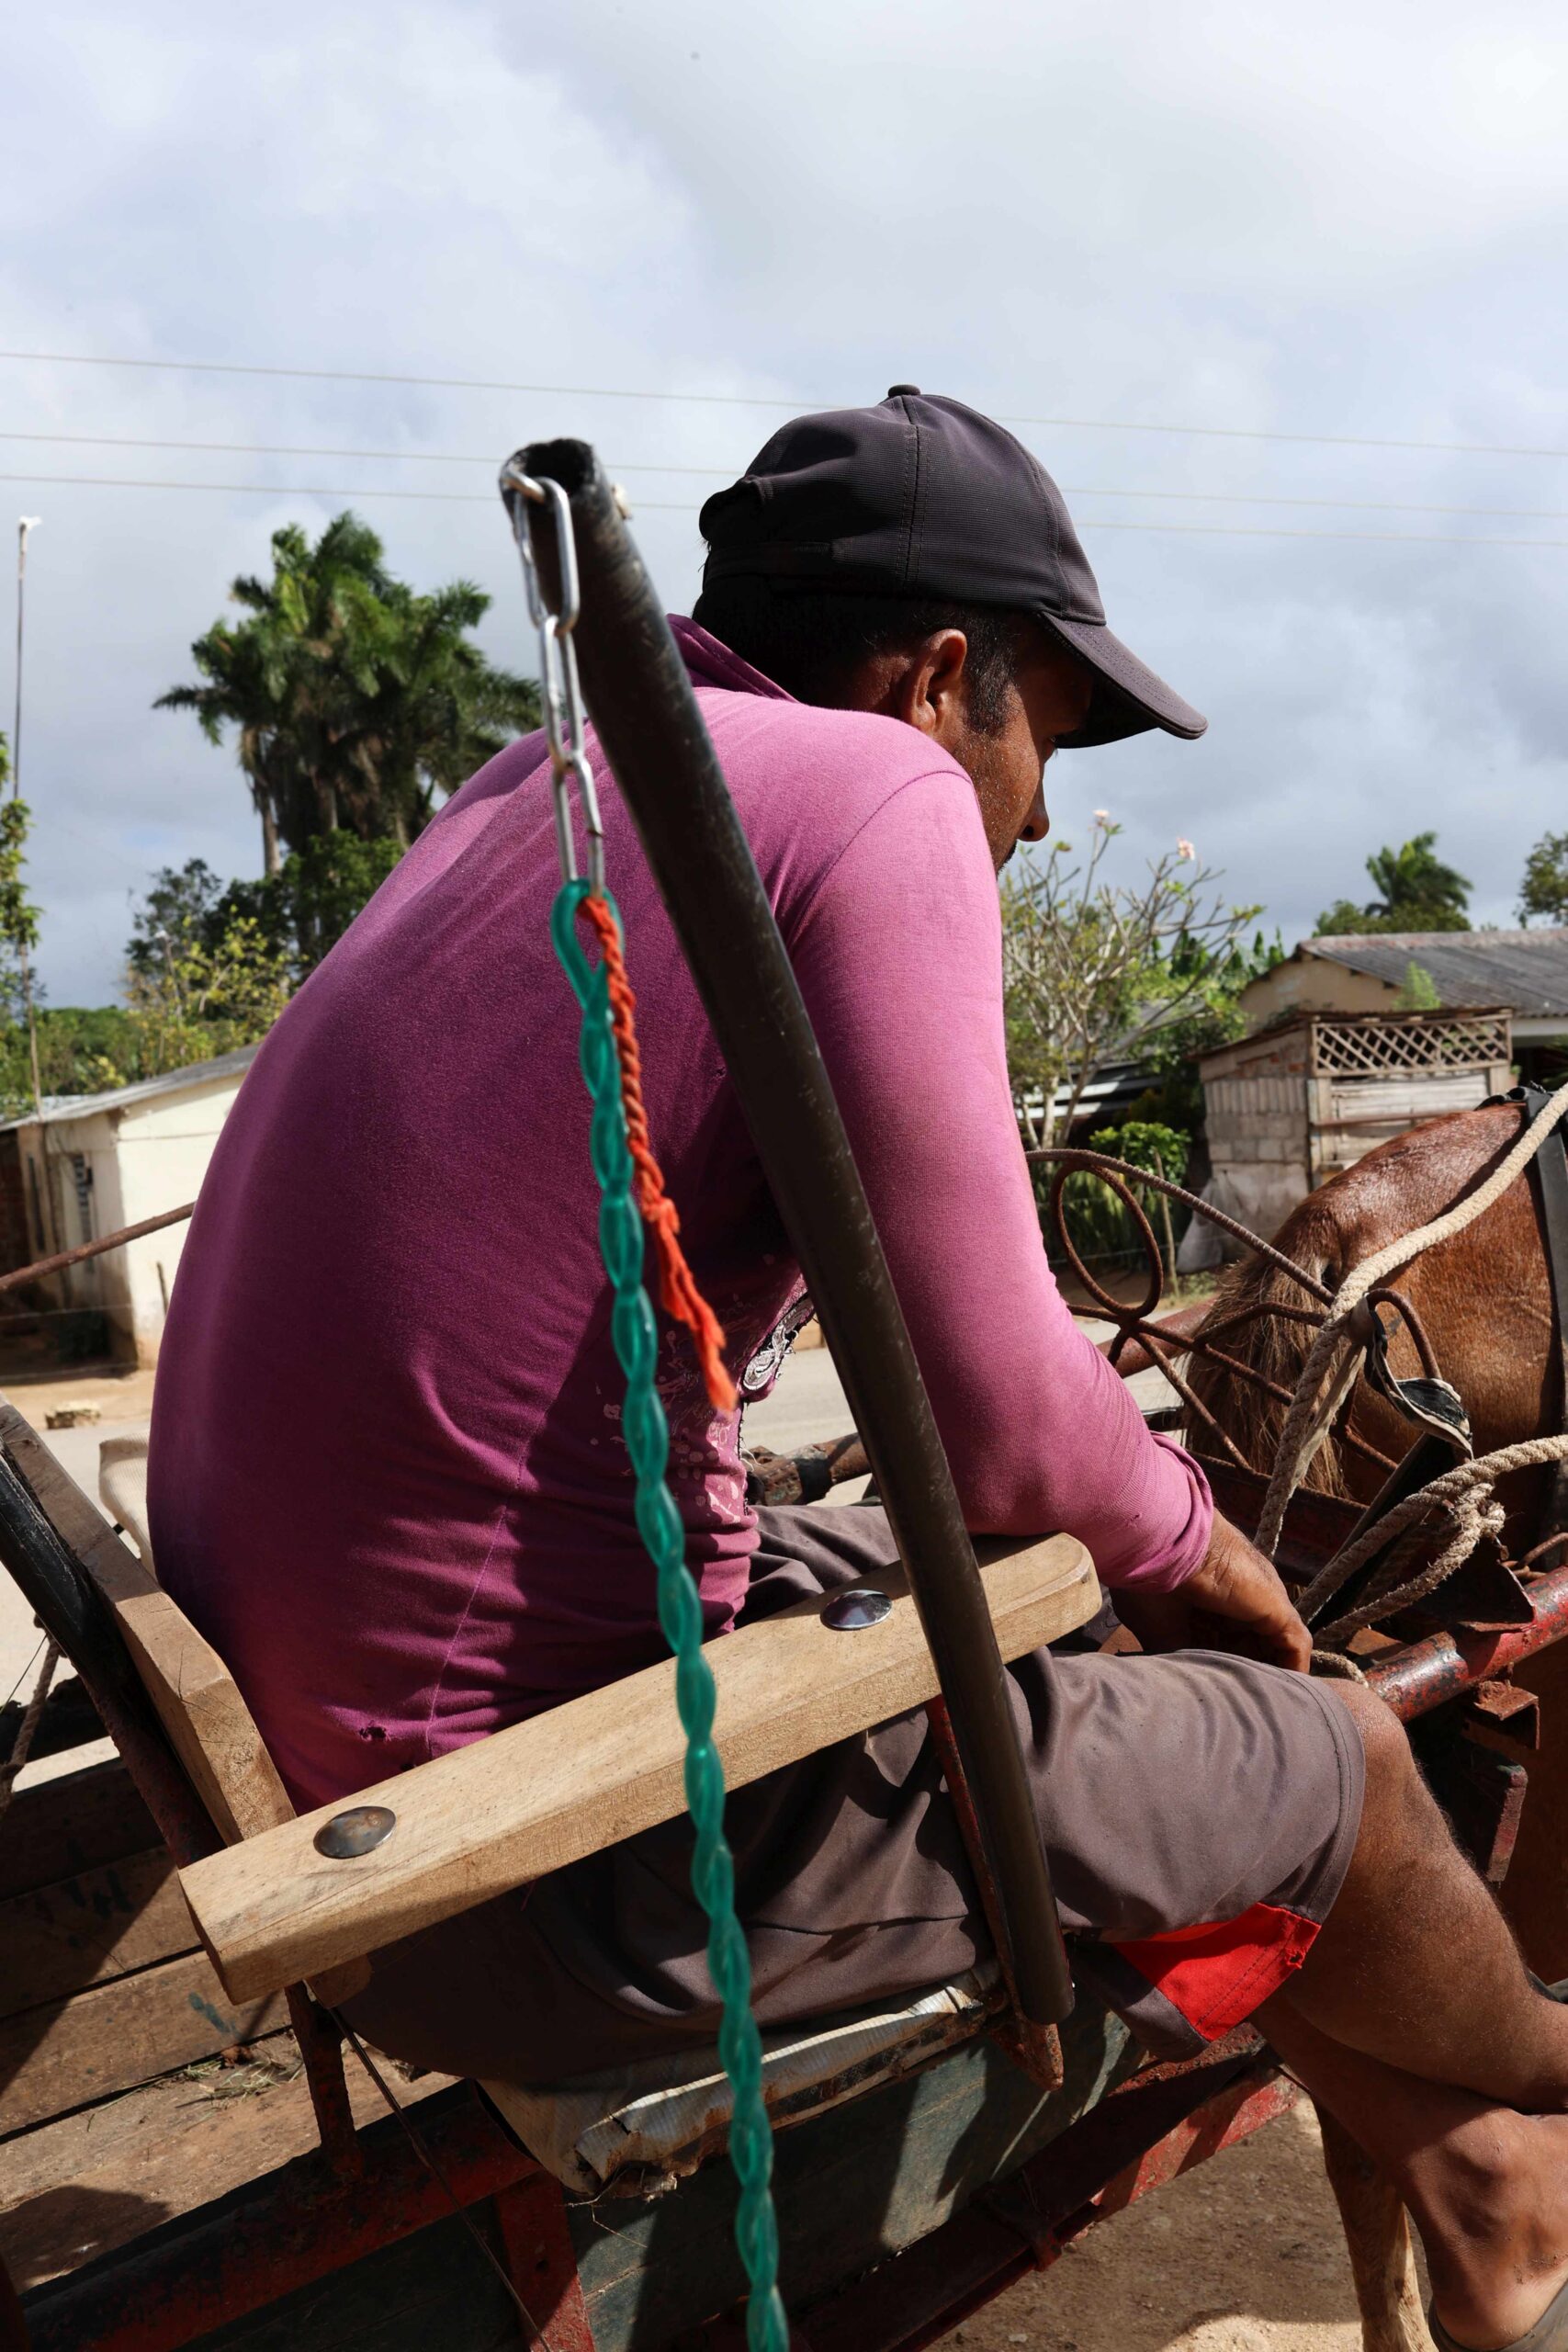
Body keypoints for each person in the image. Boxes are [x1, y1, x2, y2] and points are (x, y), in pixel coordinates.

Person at [151, 391, 1568, 2352]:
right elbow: (992, 1395)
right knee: (1349, 1759)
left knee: (1085, 1666)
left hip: (363, 1742)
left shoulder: (538, 779)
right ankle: (1537, 2093)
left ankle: (1475, 2178)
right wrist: (1201, 1558)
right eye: (1044, 738)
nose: (1041, 811)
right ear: (938, 675)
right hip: (545, 1840)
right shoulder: (870, 791)